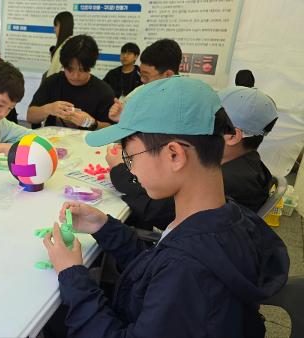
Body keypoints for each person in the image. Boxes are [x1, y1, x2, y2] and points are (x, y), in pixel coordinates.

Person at [42, 76, 289, 337]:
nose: (130, 168)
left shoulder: (187, 270)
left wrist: (73, 274)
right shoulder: (223, 216)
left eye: (130, 156)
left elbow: (171, 270)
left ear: (174, 155)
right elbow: (156, 266)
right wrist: (104, 227)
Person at [106, 84, 278, 230]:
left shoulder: (223, 181)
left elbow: (155, 211)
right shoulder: (245, 165)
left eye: (204, 123)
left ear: (232, 136)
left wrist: (120, 170)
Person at [27, 35, 115, 130]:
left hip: (87, 143)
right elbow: (30, 117)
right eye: (70, 69)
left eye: (81, 70)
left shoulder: (103, 92)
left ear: (90, 66)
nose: (75, 75)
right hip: (52, 142)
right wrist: (48, 109)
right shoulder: (52, 82)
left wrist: (92, 123)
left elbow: (111, 130)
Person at [108, 38, 182, 123]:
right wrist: (123, 118)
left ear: (168, 75)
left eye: (146, 76)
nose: (142, 80)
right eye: (141, 75)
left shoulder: (187, 101)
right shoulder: (136, 94)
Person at [45, 11, 73, 78]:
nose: (54, 30)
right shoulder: (68, 44)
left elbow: (54, 73)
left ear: (63, 26)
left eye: (56, 26)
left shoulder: (64, 48)